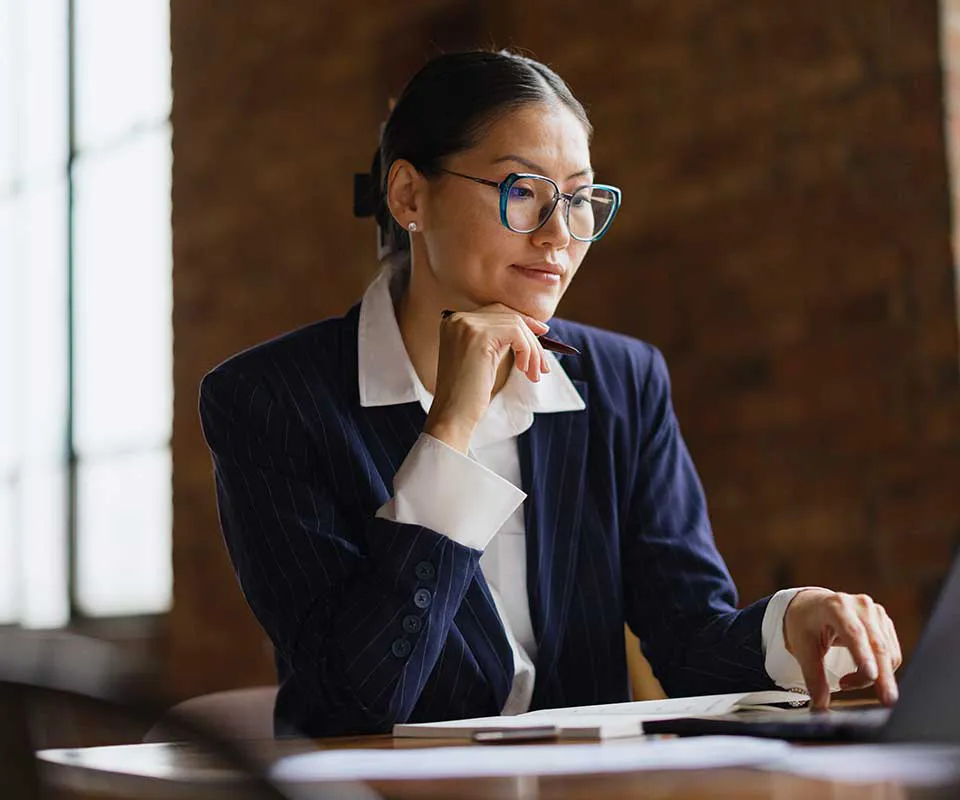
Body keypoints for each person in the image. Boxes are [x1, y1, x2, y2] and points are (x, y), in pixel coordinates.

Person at [199, 50, 902, 738]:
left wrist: (794, 621)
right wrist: (451, 430)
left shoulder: (622, 382)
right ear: (410, 195)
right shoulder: (268, 401)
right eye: (524, 192)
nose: (560, 234)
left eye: (579, 197)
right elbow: (355, 700)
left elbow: (688, 644)